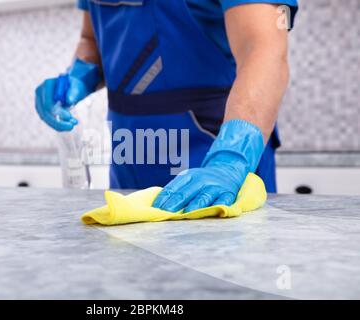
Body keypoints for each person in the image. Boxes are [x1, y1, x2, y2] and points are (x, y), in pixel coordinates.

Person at [36, 0, 298, 213]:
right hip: (131, 157)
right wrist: (79, 77)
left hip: (218, 153)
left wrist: (229, 162)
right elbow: (90, 39)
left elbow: (264, 51)